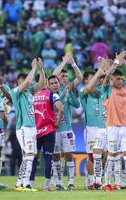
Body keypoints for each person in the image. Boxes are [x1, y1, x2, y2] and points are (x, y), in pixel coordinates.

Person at [101, 51, 126, 192]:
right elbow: (106, 77)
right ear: (113, 79)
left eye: (122, 79)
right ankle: (106, 183)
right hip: (112, 126)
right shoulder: (106, 89)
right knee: (111, 155)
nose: (121, 81)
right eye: (118, 79)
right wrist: (117, 62)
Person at [9, 58, 45, 192]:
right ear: (19, 82)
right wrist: (33, 67)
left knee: (30, 155)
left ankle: (20, 183)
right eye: (22, 81)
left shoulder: (30, 92)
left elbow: (42, 84)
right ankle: (26, 184)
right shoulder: (15, 93)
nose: (26, 84)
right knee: (29, 154)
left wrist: (41, 69)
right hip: (23, 127)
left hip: (33, 127)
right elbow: (28, 82)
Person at [52, 52, 83, 190]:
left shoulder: (67, 89)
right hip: (54, 129)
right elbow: (53, 73)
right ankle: (58, 182)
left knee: (69, 155)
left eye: (66, 76)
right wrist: (64, 62)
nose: (65, 77)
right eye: (62, 75)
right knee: (56, 157)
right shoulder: (50, 90)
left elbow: (80, 78)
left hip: (67, 129)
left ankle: (71, 182)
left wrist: (73, 64)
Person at [80, 58, 110, 190]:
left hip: (104, 127)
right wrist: (99, 72)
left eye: (97, 78)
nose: (96, 81)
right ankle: (91, 181)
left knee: (106, 155)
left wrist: (107, 69)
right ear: (87, 80)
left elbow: (108, 82)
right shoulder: (83, 93)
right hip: (91, 128)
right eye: (93, 78)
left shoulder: (101, 92)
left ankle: (97, 177)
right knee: (92, 156)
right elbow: (88, 88)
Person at [33, 75, 64, 191]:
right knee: (48, 158)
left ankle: (30, 184)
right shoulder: (52, 94)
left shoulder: (32, 95)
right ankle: (46, 186)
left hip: (35, 131)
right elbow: (60, 108)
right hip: (48, 130)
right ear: (45, 83)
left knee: (33, 158)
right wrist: (57, 122)